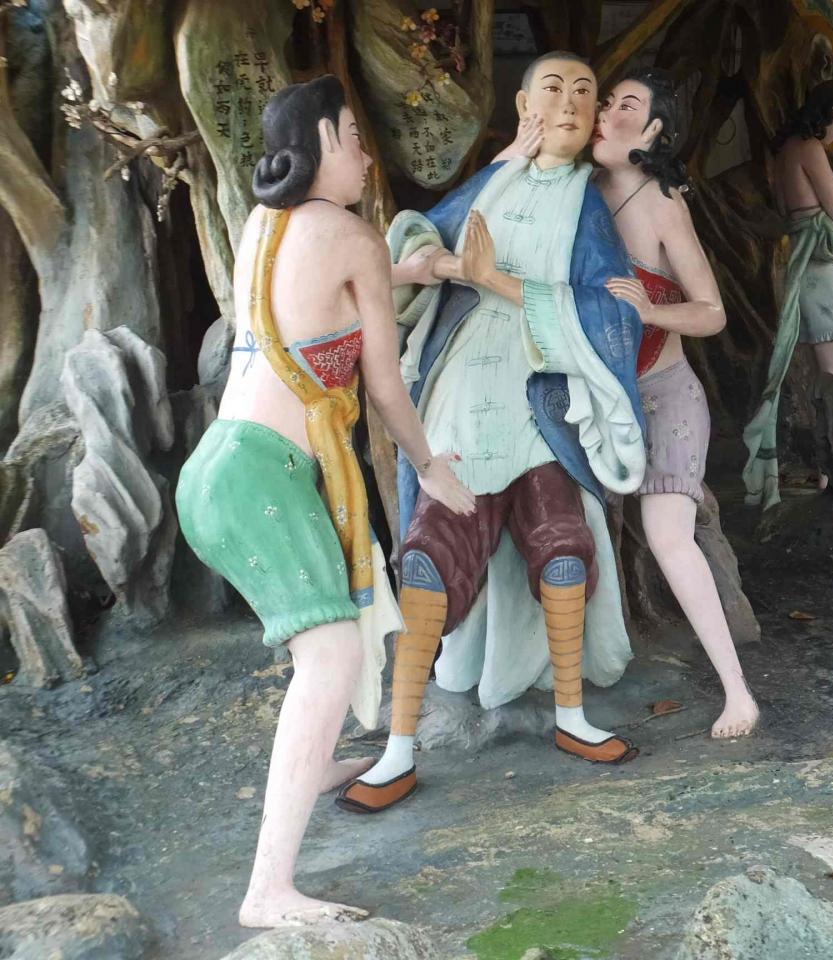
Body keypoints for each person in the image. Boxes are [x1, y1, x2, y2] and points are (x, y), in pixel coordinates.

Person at [175, 75, 474, 926]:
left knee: (327, 645)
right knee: (332, 657)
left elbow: (320, 299)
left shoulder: (262, 224)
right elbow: (384, 385)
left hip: (220, 469)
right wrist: (431, 466)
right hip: (262, 477)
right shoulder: (353, 237)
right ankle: (267, 891)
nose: (367, 157)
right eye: (353, 140)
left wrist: (406, 268)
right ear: (319, 146)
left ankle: (315, 768)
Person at [336, 51, 648, 815]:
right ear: (523, 106)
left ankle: (572, 715)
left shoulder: (589, 209)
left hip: (543, 407)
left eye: (584, 93)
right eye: (554, 89)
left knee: (563, 547)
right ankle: (398, 748)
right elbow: (413, 248)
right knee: (431, 556)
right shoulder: (491, 183)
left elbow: (613, 311)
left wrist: (497, 280)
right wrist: (441, 261)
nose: (570, 103)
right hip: (463, 401)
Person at [591, 66, 758, 738]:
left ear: (654, 130)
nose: (606, 113)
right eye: (607, 101)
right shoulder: (576, 193)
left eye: (626, 106)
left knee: (668, 535)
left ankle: (737, 691)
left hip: (664, 394)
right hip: (595, 400)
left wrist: (652, 311)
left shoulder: (663, 204)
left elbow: (712, 311)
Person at [743, 79, 833, 508]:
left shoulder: (785, 153)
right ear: (831, 113)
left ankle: (826, 476)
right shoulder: (809, 149)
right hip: (822, 279)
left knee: (825, 386)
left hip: (806, 274)